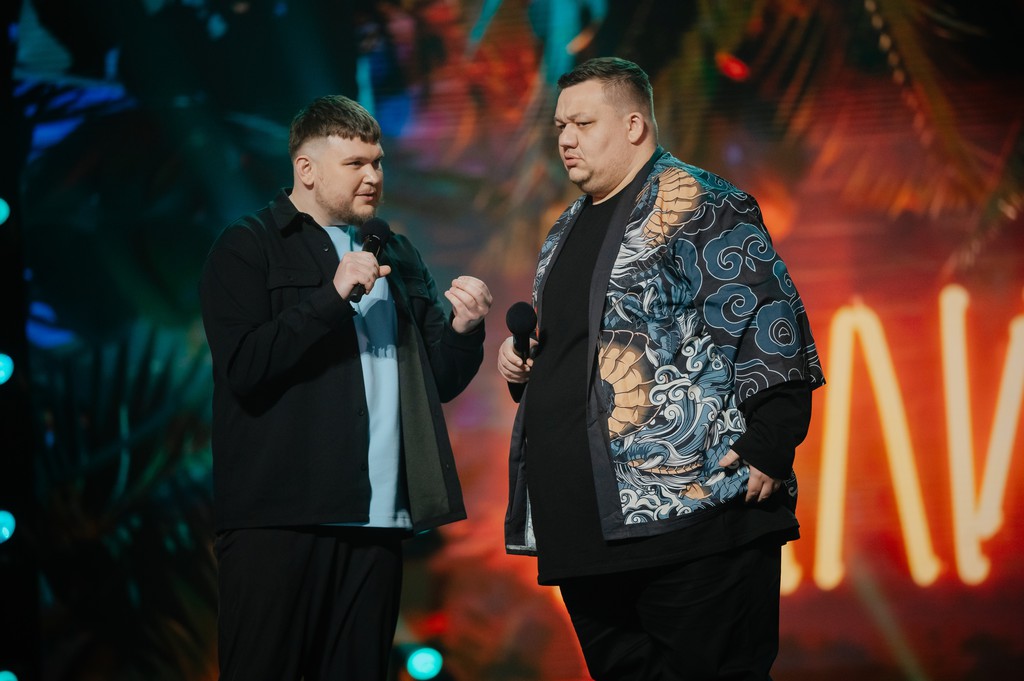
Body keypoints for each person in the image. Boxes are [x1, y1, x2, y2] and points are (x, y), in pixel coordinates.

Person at [497, 57, 825, 680]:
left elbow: (767, 317)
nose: (565, 139)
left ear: (634, 125)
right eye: (560, 125)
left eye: (583, 123)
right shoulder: (564, 227)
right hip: (587, 527)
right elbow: (588, 348)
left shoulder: (703, 202)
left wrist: (771, 440)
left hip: (692, 515)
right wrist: (526, 367)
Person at [200, 94, 492, 680]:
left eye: (377, 162)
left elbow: (437, 380)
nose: (373, 177)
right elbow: (245, 367)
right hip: (281, 521)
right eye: (355, 164)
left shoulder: (395, 251)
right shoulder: (248, 244)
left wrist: (465, 330)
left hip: (377, 521)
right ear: (306, 169)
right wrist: (330, 298)